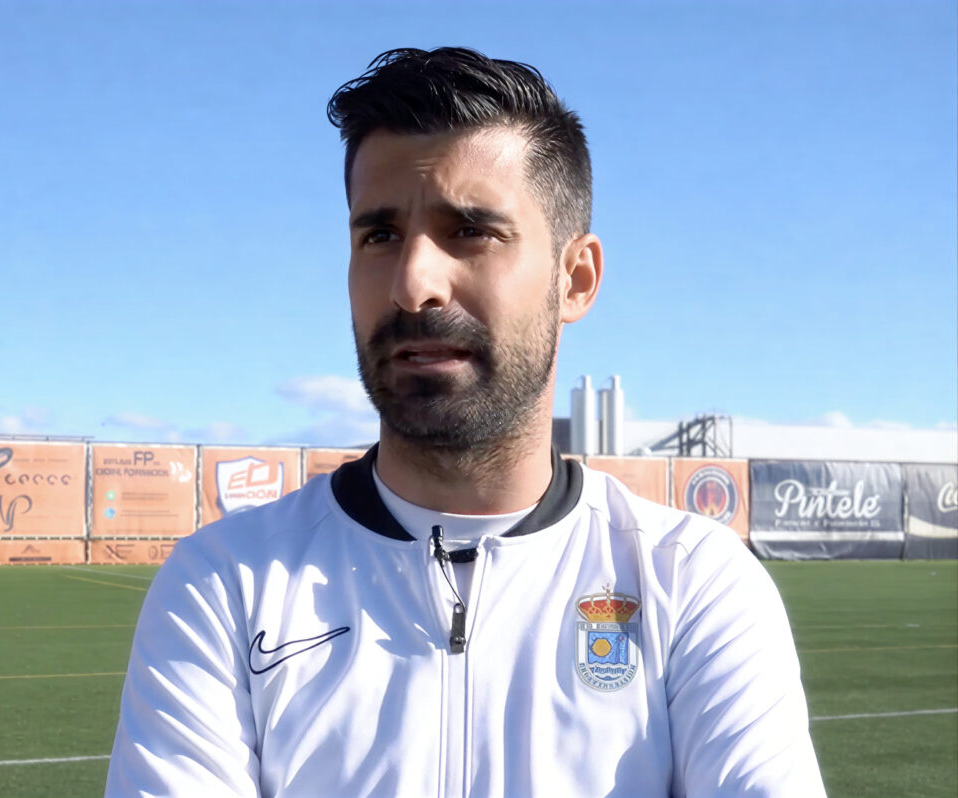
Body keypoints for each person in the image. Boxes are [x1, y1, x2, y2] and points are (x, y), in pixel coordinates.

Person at [106, 47, 826, 797]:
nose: (414, 283)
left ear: (575, 279)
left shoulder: (692, 581)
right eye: (379, 236)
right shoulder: (224, 584)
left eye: (471, 231)